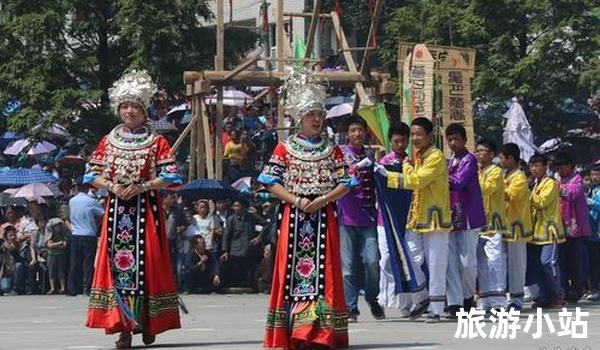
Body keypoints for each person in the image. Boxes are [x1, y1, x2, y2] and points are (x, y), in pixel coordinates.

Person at [84, 70, 183, 349]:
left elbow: (172, 176)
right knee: (119, 268)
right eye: (125, 106)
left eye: (135, 107)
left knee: (148, 265)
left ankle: (149, 322)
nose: (129, 111)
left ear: (144, 111)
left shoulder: (156, 142)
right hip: (117, 214)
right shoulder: (108, 140)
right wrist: (112, 187)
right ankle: (125, 328)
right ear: (119, 109)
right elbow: (91, 174)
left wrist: (143, 186)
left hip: (145, 213)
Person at [258, 67, 354, 349]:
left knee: (324, 275)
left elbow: (348, 181)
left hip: (324, 216)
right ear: (299, 118)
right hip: (296, 215)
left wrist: (324, 200)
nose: (317, 119)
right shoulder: (284, 149)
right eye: (312, 115)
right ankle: (296, 330)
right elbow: (268, 180)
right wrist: (296, 200)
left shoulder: (332, 149)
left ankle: (319, 331)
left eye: (320, 115)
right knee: (294, 272)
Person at [385, 117, 452, 323]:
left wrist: (391, 175)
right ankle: (422, 296)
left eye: (418, 134)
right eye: (412, 134)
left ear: (430, 136)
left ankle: (437, 308)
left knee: (436, 263)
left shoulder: (435, 156)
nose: (414, 138)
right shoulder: (420, 156)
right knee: (410, 256)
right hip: (417, 217)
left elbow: (418, 181)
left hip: (435, 218)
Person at [338, 115, 384, 322]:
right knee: (348, 267)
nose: (357, 134)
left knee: (373, 261)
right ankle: (350, 308)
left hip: (368, 218)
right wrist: (352, 169)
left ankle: (373, 297)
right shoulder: (339, 155)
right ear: (347, 133)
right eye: (353, 130)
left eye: (360, 130)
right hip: (346, 218)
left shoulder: (370, 155)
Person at [444, 123, 486, 317]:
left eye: (456, 139)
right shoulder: (449, 161)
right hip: (451, 216)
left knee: (467, 261)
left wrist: (436, 175)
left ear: (464, 140)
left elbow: (458, 183)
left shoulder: (469, 160)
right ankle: (454, 302)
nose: (453, 143)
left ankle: (468, 296)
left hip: (469, 216)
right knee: (450, 260)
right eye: (450, 139)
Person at [375, 122, 413, 315]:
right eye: (396, 141)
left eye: (403, 141)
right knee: (387, 259)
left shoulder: (411, 163)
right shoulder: (383, 163)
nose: (400, 144)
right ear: (390, 141)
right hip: (385, 219)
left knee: (405, 259)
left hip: (406, 218)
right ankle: (383, 297)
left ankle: (404, 303)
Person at [528, 153, 566, 308]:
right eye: (532, 166)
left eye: (537, 166)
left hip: (550, 230)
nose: (534, 169)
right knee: (537, 265)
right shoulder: (536, 183)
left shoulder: (550, 183)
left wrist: (527, 193)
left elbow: (541, 202)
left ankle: (558, 294)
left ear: (545, 167)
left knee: (548, 262)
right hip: (536, 232)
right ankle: (543, 296)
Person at [554, 152, 592, 303]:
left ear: (570, 165)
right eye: (558, 167)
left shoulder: (577, 179)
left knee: (574, 261)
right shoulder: (558, 179)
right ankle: (564, 289)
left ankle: (575, 290)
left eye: (562, 166)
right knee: (561, 261)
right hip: (560, 226)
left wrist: (557, 188)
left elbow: (572, 193)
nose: (560, 169)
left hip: (574, 228)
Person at [499, 143, 533, 310]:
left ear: (511, 158)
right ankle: (508, 296)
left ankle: (517, 298)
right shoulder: (506, 175)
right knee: (504, 263)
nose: (500, 161)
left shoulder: (519, 177)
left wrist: (494, 188)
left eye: (502, 157)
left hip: (517, 226)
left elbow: (511, 195)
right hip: (506, 225)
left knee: (517, 263)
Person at [475, 139, 506, 311]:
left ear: (491, 154)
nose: (479, 153)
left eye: (482, 150)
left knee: (495, 261)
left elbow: (486, 188)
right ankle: (485, 299)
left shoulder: (495, 171)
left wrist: (470, 179)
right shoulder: (477, 171)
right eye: (477, 150)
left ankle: (498, 301)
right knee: (481, 263)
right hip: (478, 223)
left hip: (493, 223)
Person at [68, 183, 104, 296]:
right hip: (89, 234)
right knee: (88, 264)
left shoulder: (72, 201)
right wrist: (96, 223)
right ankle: (88, 288)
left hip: (76, 233)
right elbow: (102, 213)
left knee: (74, 263)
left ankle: (72, 289)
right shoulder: (90, 201)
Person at [220, 197, 261, 289]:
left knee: (250, 269)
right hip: (235, 250)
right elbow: (226, 235)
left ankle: (250, 286)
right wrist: (225, 250)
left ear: (243, 207)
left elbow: (266, 224)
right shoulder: (231, 219)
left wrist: (259, 237)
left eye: (238, 206)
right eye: (234, 206)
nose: (235, 208)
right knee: (236, 269)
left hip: (249, 248)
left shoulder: (251, 217)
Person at [586, 163, 600, 301]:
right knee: (593, 262)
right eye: (593, 174)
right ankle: (594, 288)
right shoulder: (591, 189)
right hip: (592, 232)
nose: (594, 177)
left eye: (597, 174)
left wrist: (591, 203)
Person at [45, 218, 70, 294]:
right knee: (52, 272)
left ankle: (63, 288)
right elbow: (49, 245)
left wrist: (55, 245)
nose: (58, 228)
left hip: (61, 255)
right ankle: (52, 288)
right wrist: (59, 243)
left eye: (59, 226)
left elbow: (64, 246)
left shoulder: (63, 235)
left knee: (61, 272)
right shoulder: (50, 236)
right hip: (51, 255)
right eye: (56, 226)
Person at [0, 225, 26, 295]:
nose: (13, 237)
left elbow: (22, 259)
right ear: (6, 237)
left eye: (14, 235)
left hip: (16, 271)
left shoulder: (20, 245)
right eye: (10, 235)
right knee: (5, 288)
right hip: (6, 272)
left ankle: (15, 288)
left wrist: (14, 249)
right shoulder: (2, 246)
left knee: (19, 265)